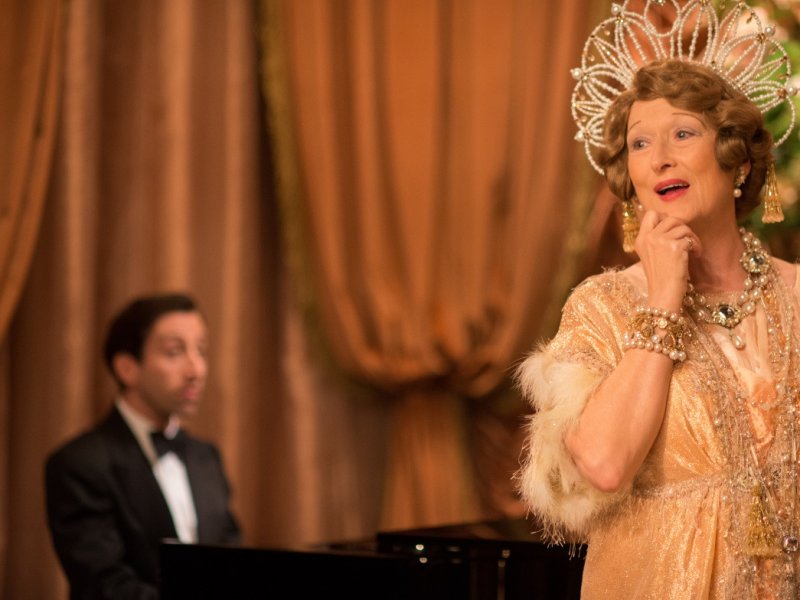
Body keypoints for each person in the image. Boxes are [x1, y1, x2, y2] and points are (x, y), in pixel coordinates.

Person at [515, 1, 800, 597]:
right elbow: (603, 465)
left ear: (736, 160)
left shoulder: (795, 293)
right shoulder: (601, 307)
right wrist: (664, 302)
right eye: (639, 143)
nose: (659, 156)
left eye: (683, 134)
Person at [45, 293, 240, 600]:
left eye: (201, 350)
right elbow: (104, 585)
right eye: (175, 352)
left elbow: (232, 565)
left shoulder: (206, 457)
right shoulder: (80, 464)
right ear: (127, 368)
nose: (196, 370)